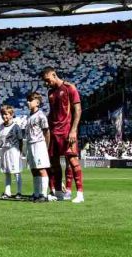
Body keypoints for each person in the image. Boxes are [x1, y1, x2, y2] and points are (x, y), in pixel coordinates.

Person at [41, 66, 85, 203]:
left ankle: (80, 194)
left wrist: (73, 130)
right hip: (54, 132)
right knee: (54, 163)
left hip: (67, 132)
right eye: (45, 81)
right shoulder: (50, 92)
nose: (46, 83)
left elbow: (78, 110)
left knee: (72, 161)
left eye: (48, 80)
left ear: (54, 75)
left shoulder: (69, 88)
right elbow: (52, 112)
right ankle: (59, 193)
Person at [25, 92, 52, 203]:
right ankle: (36, 193)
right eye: (27, 100)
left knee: (41, 169)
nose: (28, 102)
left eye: (30, 100)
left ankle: (43, 194)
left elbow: (46, 131)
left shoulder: (41, 115)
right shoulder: (29, 116)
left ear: (37, 102)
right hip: (30, 144)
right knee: (34, 170)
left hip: (39, 144)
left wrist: (46, 146)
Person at [0, 104, 23, 199]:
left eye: (6, 114)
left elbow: (20, 140)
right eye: (2, 114)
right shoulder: (1, 126)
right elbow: (0, 138)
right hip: (5, 151)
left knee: (16, 172)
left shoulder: (16, 127)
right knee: (7, 172)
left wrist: (20, 151)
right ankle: (7, 192)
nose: (4, 116)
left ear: (11, 115)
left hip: (13, 151)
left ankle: (19, 192)